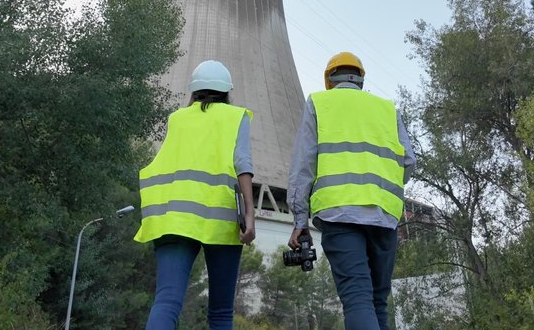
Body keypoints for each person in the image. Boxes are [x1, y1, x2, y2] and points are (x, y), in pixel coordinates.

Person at [287, 52, 415, 330]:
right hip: (383, 217)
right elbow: (409, 162)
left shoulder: (319, 103)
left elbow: (303, 164)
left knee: (357, 298)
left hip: (340, 214)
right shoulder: (387, 109)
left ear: (329, 80)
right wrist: (384, 189)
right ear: (360, 79)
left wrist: (299, 219)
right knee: (378, 302)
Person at [134, 60, 256, 330]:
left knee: (166, 301)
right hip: (220, 221)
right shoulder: (236, 117)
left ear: (194, 90)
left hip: (174, 219)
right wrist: (249, 213)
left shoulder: (177, 119)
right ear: (227, 92)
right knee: (221, 313)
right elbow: (243, 164)